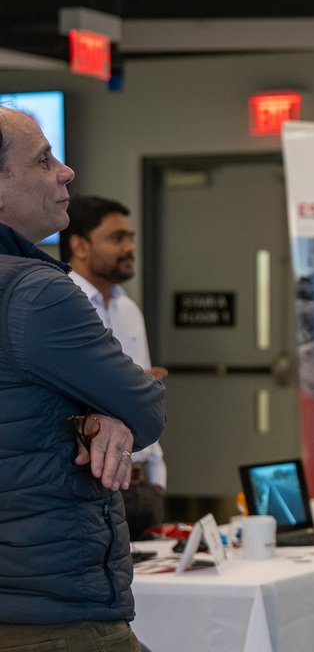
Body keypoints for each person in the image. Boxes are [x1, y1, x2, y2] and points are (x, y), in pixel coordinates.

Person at [0, 107, 165, 650]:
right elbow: (145, 407)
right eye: (44, 160)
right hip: (49, 608)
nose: (66, 171)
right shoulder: (35, 293)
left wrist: (91, 410)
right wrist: (110, 408)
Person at [61, 195, 170, 541]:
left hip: (143, 489)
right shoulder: (62, 303)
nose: (129, 247)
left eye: (131, 238)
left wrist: (157, 478)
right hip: (93, 486)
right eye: (117, 238)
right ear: (79, 245)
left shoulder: (129, 309)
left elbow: (143, 400)